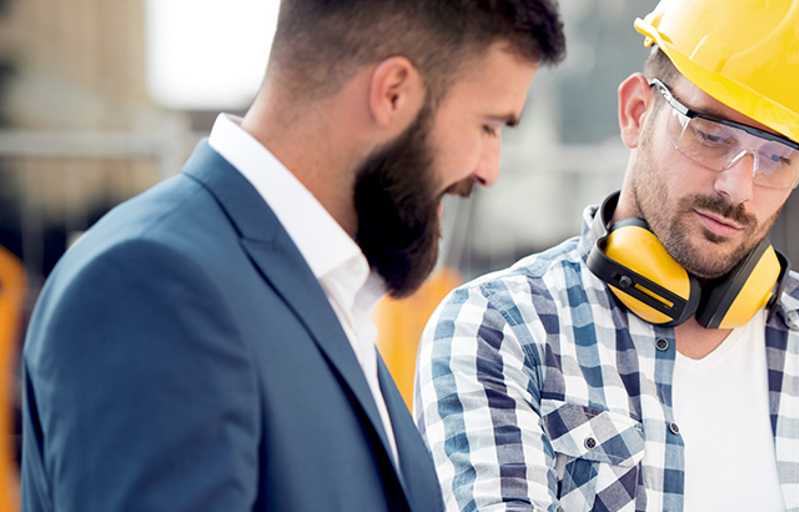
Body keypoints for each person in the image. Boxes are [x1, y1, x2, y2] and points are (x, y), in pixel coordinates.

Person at [413, 0, 799, 510]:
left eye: (779, 157)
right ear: (634, 112)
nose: (737, 188)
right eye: (712, 135)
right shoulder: (498, 331)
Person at [20, 1, 564, 510]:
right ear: (393, 92)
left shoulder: (322, 291)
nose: (489, 169)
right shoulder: (151, 287)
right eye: (488, 126)